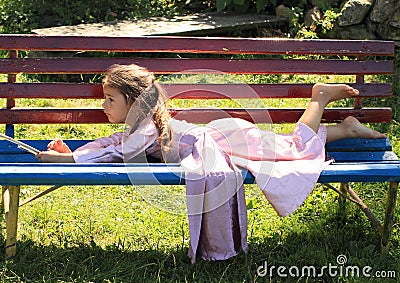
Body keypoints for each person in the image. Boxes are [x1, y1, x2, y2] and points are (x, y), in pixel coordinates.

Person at [35, 64, 386, 262]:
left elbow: (109, 150)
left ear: (134, 101)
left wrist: (62, 157)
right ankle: (343, 129)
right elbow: (109, 145)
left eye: (110, 99)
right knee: (286, 148)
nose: (103, 106)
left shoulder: (141, 130)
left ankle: (319, 97)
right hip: (224, 138)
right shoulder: (140, 126)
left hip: (226, 140)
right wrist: (69, 155)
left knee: (291, 149)